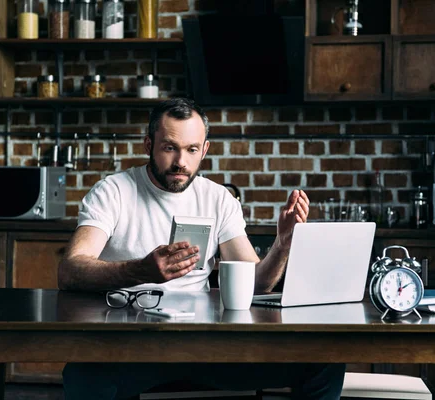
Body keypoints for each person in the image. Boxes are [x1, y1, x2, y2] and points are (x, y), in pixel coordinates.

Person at [58, 97, 346, 400]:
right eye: (170, 148)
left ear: (204, 150)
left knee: (324, 361)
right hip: (132, 346)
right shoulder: (113, 192)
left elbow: (257, 283)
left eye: (192, 150)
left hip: (206, 346)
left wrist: (283, 244)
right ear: (148, 145)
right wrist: (140, 270)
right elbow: (71, 269)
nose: (181, 161)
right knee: (83, 373)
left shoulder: (218, 199)